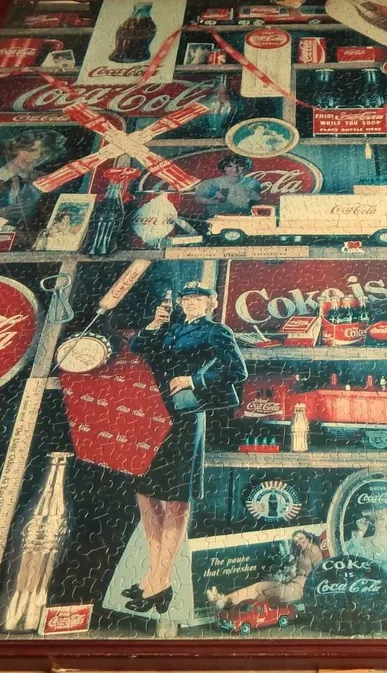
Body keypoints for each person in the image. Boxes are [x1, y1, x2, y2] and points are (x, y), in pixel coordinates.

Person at [122, 281, 248, 615]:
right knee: (146, 493)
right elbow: (138, 349)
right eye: (187, 298)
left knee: (176, 498)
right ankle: (157, 577)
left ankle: (158, 581)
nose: (191, 303)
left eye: (198, 298)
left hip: (187, 415)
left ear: (211, 303)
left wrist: (193, 380)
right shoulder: (171, 329)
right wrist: (155, 323)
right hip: (155, 414)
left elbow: (237, 370)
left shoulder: (217, 331)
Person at [0, 128, 67, 235]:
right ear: (15, 149)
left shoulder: (44, 182)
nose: (36, 157)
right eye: (31, 150)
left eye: (44, 153)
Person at [205, 530, 324, 610]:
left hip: (300, 589)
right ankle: (222, 599)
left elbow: (320, 574)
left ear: (308, 538)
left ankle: (227, 604)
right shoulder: (299, 553)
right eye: (296, 541)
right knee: (258, 586)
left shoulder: (314, 550)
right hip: (290, 584)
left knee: (265, 594)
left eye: (301, 538)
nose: (299, 542)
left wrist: (310, 593)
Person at [193, 154, 262, 216]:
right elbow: (198, 198)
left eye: (239, 166)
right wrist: (214, 201)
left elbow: (257, 201)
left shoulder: (253, 182)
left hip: (244, 218)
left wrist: (254, 196)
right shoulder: (211, 183)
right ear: (224, 168)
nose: (235, 169)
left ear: (245, 167)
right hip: (217, 219)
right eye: (229, 166)